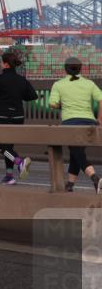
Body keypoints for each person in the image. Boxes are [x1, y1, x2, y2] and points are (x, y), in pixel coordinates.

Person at [49, 56, 102, 194]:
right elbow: (101, 99)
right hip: (88, 122)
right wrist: (99, 118)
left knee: (76, 152)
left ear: (65, 69)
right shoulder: (89, 84)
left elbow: (52, 104)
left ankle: (95, 177)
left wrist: (62, 104)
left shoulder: (58, 84)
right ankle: (70, 184)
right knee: (76, 152)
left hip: (70, 123)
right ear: (80, 68)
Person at [0, 51, 38, 184]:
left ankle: (20, 162)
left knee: (2, 148)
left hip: (4, 116)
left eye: (0, 62)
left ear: (5, 64)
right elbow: (33, 96)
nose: (0, 64)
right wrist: (18, 95)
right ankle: (9, 176)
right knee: (9, 147)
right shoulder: (21, 79)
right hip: (18, 116)